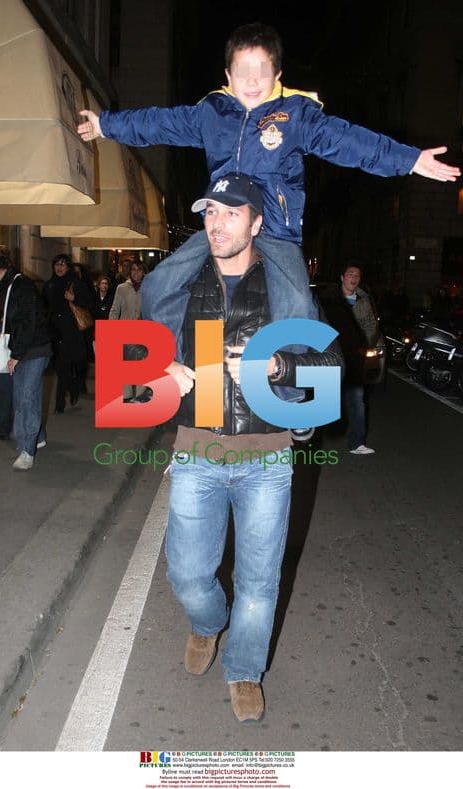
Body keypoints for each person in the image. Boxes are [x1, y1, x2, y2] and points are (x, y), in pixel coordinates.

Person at [77, 21, 460, 354]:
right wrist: (106, 126)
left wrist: (407, 159)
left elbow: (347, 141)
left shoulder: (295, 114)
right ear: (227, 75)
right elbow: (161, 123)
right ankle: (179, 361)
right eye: (242, 70)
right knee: (160, 283)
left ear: (278, 73)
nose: (252, 80)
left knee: (295, 303)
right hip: (225, 225)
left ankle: (293, 396)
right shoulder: (212, 114)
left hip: (275, 229)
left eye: (262, 70)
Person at [155, 173, 342, 723]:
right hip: (198, 447)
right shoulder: (183, 282)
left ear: (256, 224)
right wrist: (160, 365)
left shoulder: (287, 290)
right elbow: (136, 343)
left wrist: (280, 365)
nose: (216, 222)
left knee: (259, 580)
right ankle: (208, 623)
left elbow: (329, 367)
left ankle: (243, 669)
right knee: (188, 574)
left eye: (231, 213)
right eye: (210, 211)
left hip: (266, 455)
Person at [0, 248, 51, 470]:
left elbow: (29, 322)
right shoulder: (5, 286)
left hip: (34, 350)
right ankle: (37, 436)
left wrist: (16, 355)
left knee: (25, 398)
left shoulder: (21, 285)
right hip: (24, 348)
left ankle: (26, 450)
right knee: (23, 397)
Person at [320, 264, 382, 455]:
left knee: (356, 399)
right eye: (350, 274)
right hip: (330, 356)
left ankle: (356, 443)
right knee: (322, 398)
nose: (353, 278)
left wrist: (364, 344)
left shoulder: (364, 301)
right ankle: (311, 438)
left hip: (354, 358)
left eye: (357, 275)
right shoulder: (329, 300)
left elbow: (372, 326)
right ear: (342, 277)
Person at [43, 254, 94, 413]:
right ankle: (73, 387)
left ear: (68, 267)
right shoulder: (49, 285)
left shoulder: (75, 284)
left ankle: (60, 404)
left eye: (63, 264)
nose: (59, 267)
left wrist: (74, 298)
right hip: (53, 331)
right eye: (57, 264)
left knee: (66, 364)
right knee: (59, 367)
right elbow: (43, 306)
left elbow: (89, 302)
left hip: (71, 331)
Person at [108, 259, 150, 403]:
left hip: (144, 330)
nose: (136, 273)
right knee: (125, 362)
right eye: (133, 270)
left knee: (141, 362)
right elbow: (115, 309)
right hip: (124, 329)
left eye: (139, 270)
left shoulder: (149, 287)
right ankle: (126, 394)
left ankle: (140, 393)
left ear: (143, 271)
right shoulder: (122, 288)